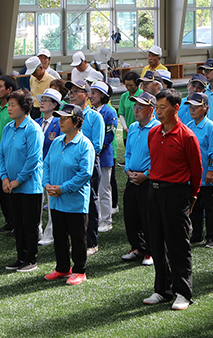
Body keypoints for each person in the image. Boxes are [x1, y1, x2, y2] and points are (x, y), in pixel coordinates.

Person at [143, 89, 202, 311]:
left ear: (176, 108)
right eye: (156, 107)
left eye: (162, 107)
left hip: (176, 193)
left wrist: (193, 195)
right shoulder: (154, 133)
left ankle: (183, 292)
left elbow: (196, 170)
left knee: (178, 244)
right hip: (154, 191)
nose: (158, 111)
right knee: (156, 243)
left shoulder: (187, 136)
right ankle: (162, 290)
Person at [43, 104, 95, 286]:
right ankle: (63, 267)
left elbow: (85, 174)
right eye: (60, 117)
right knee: (59, 235)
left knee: (78, 236)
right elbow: (46, 164)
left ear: (77, 122)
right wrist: (47, 184)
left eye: (65, 118)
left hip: (75, 201)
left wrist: (61, 188)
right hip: (56, 200)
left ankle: (80, 270)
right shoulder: (57, 142)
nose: (61, 121)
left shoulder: (85, 145)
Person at [0, 90, 45, 270]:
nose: (9, 108)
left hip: (29, 186)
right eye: (8, 105)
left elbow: (33, 159)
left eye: (13, 105)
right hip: (11, 184)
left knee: (29, 224)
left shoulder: (33, 129)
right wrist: (4, 178)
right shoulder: (8, 127)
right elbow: (1, 154)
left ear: (24, 107)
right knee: (17, 224)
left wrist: (17, 181)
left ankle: (31, 259)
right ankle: (21, 257)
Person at [66, 78, 105, 255]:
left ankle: (91, 242)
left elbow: (97, 145)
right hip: (69, 164)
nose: (72, 95)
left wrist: (77, 154)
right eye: (71, 92)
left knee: (89, 203)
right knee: (71, 204)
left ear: (87, 95)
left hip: (88, 164)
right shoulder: (67, 114)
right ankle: (76, 240)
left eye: (76, 92)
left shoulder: (95, 117)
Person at [122, 92, 160, 266]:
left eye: (140, 107)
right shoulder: (133, 127)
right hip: (132, 178)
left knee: (148, 216)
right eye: (135, 107)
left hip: (148, 180)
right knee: (131, 214)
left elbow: (158, 157)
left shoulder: (157, 128)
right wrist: (128, 170)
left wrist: (146, 174)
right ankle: (137, 247)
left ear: (151, 110)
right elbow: (128, 152)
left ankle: (150, 251)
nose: (135, 110)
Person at [184, 92, 213, 247]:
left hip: (207, 176)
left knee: (211, 208)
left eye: (196, 107)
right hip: (194, 176)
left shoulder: (211, 127)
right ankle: (197, 235)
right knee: (195, 207)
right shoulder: (189, 126)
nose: (192, 110)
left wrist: (212, 170)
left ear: (205, 108)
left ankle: (211, 236)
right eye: (190, 107)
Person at [0, 76, 18, 234]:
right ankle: (9, 221)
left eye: (0, 86)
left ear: (9, 90)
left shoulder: (13, 108)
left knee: (11, 190)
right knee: (1, 189)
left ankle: (16, 221)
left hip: (10, 155)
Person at [35, 88, 64, 245]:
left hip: (51, 167)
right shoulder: (37, 122)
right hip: (36, 167)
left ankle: (50, 233)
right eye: (42, 99)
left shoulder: (58, 123)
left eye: (46, 100)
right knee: (37, 201)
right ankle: (37, 230)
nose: (42, 102)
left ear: (54, 105)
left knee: (52, 201)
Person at [89, 80, 119, 233]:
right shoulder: (91, 111)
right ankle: (98, 217)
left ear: (102, 95)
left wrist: (96, 147)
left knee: (104, 189)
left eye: (94, 93)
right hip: (93, 157)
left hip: (103, 157)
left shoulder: (109, 112)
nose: (91, 96)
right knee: (95, 190)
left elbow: (110, 135)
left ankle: (107, 219)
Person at [118, 71, 142, 144]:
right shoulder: (124, 96)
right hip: (127, 133)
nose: (128, 87)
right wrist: (126, 129)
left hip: (140, 132)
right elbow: (121, 114)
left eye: (131, 85)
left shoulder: (142, 95)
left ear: (137, 84)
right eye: (126, 85)